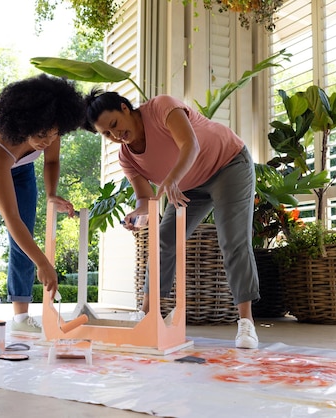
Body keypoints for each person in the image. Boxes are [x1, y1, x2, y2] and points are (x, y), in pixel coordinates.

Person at [83, 89, 260, 349]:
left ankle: (246, 322)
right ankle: (146, 316)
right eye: (107, 134)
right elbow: (145, 200)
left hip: (228, 165)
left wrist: (171, 180)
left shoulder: (161, 108)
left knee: (233, 240)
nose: (115, 135)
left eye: (114, 125)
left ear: (124, 108)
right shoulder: (126, 157)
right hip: (188, 186)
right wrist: (137, 215)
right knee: (164, 240)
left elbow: (191, 145)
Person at [0, 74, 85, 346]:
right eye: (42, 135)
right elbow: (10, 218)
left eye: (54, 134)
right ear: (24, 124)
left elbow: (51, 161)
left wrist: (51, 195)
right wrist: (44, 263)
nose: (48, 140)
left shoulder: (50, 124)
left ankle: (21, 317)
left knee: (25, 239)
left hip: (22, 170)